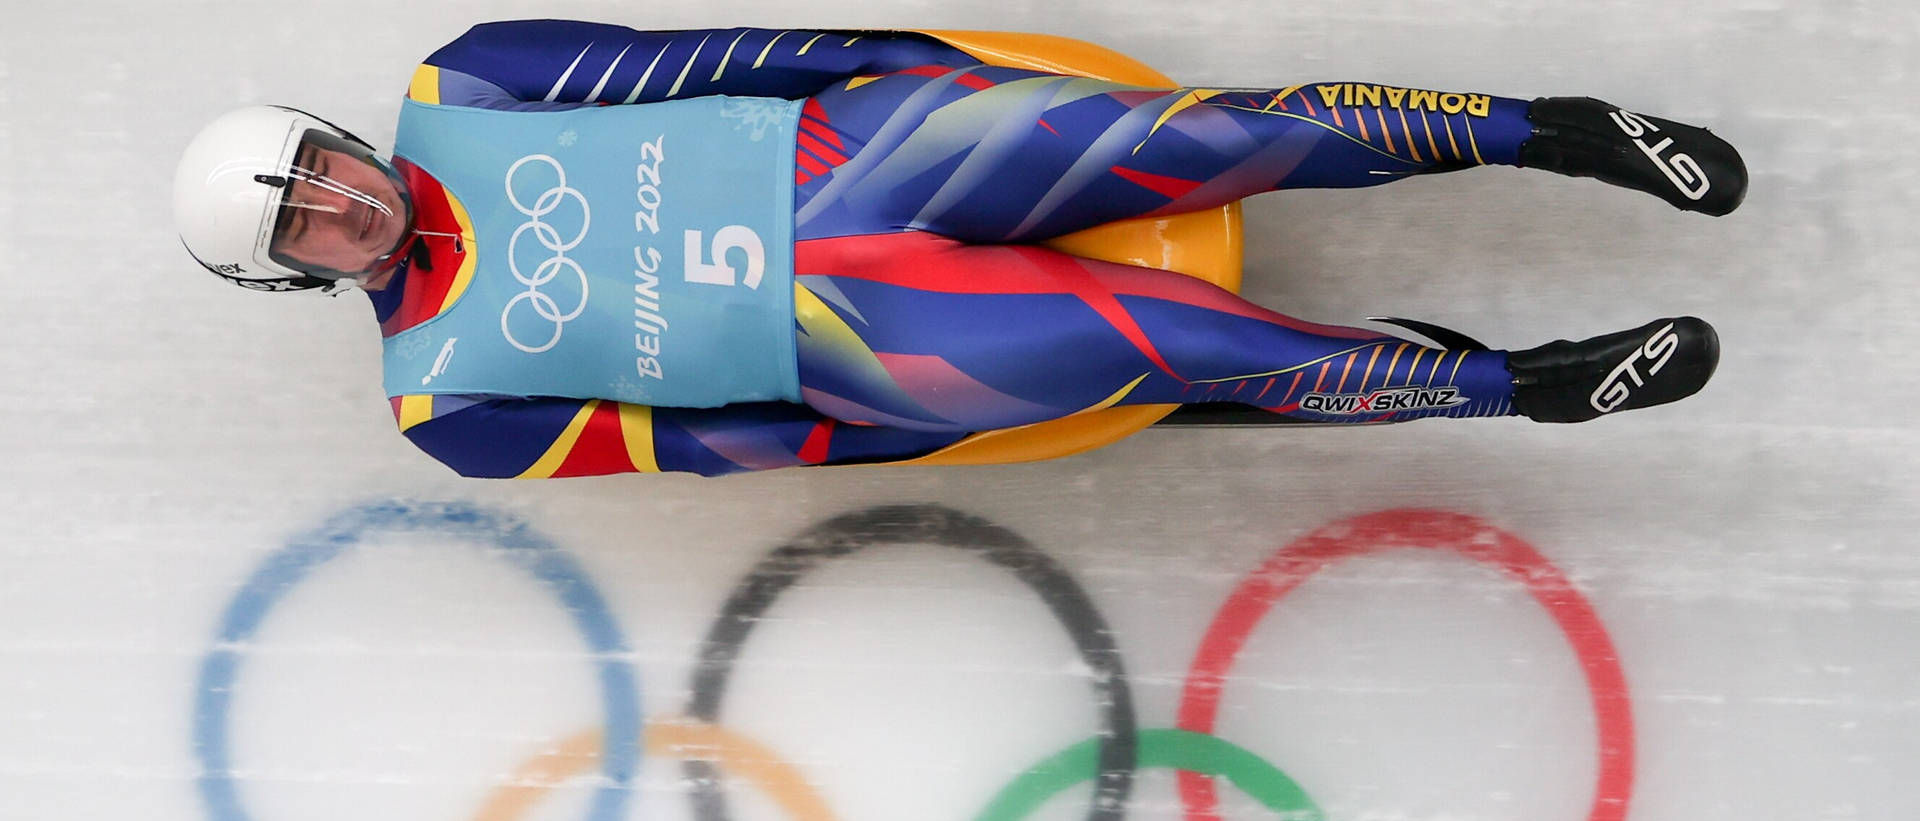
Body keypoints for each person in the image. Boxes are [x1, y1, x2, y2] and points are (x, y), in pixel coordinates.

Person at [172, 22, 1747, 478]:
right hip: (854, 337)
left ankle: (1553, 128)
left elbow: (713, 55)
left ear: (336, 134)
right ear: (292, 274)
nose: (339, 203)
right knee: (1192, 351)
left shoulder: (469, 82)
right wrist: (886, 436)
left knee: (1210, 133)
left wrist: (907, 59)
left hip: (867, 146)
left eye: (315, 167)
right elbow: (699, 450)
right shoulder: (445, 405)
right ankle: (1520, 393)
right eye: (300, 223)